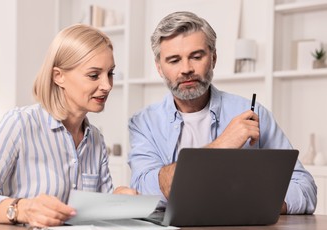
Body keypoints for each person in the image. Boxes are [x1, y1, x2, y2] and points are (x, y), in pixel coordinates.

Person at [128, 11, 317, 214]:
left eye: (196, 56)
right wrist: (223, 144)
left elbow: (304, 187)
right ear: (159, 68)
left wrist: (259, 202)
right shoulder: (143, 123)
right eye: (174, 60)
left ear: (214, 58)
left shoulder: (253, 113)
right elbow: (144, 189)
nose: (186, 69)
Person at [0, 24, 136, 227]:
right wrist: (22, 209)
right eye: (94, 75)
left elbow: (97, 213)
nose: (107, 85)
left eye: (110, 73)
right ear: (59, 76)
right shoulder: (19, 124)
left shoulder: (95, 139)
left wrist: (117, 199)